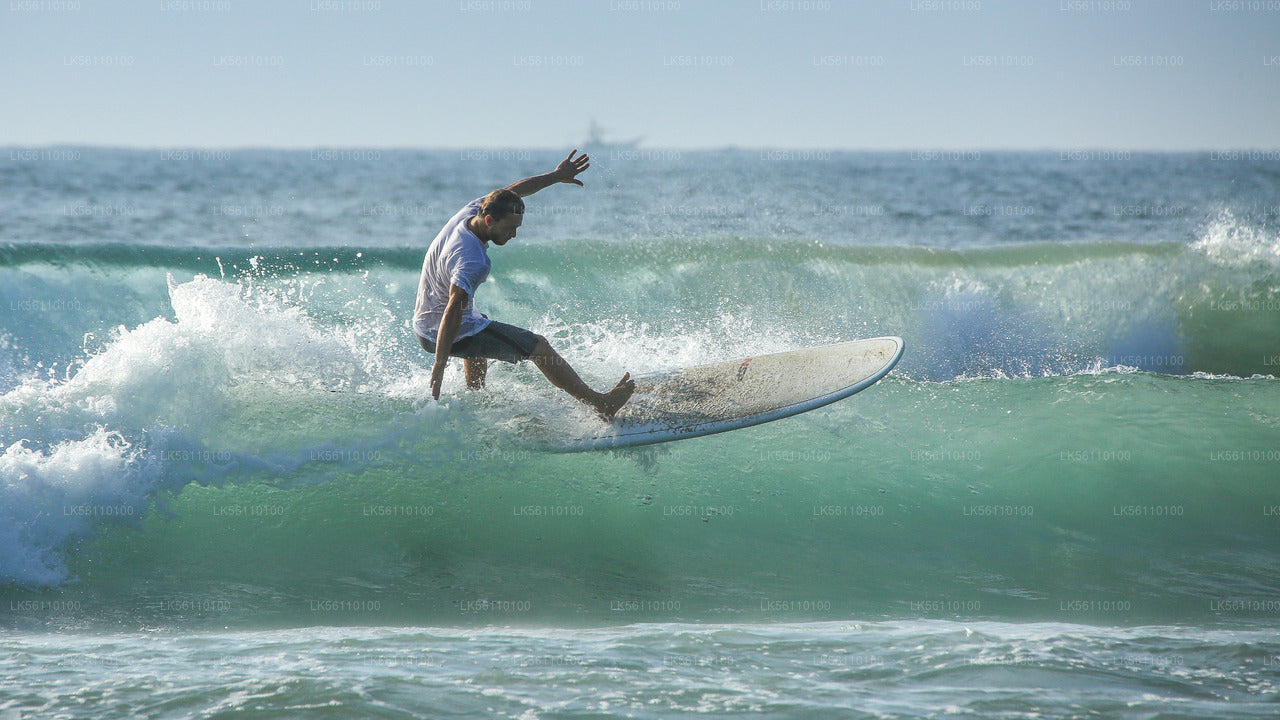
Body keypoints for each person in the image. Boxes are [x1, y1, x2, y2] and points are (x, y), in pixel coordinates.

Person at [414, 150, 635, 418]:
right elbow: (453, 307)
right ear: (489, 221)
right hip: (441, 332)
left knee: (477, 322)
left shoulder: (473, 210)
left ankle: (476, 404)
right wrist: (439, 362)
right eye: (510, 228)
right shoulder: (472, 260)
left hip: (426, 324)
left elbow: (514, 191)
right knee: (538, 347)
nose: (514, 234)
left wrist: (555, 176)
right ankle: (601, 404)